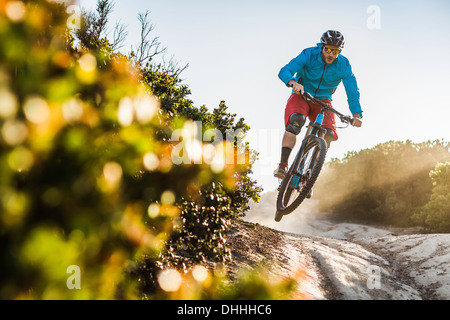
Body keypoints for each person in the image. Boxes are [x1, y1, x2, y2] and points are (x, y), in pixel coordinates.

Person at [274, 30, 363, 180]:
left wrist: (356, 115)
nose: (331, 55)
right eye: (328, 49)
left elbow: (352, 91)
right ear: (321, 47)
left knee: (328, 134)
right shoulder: (309, 54)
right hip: (302, 94)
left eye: (335, 51)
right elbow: (285, 71)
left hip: (323, 100)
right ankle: (283, 164)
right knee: (296, 121)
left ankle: (310, 174)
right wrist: (293, 82)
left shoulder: (343, 64)